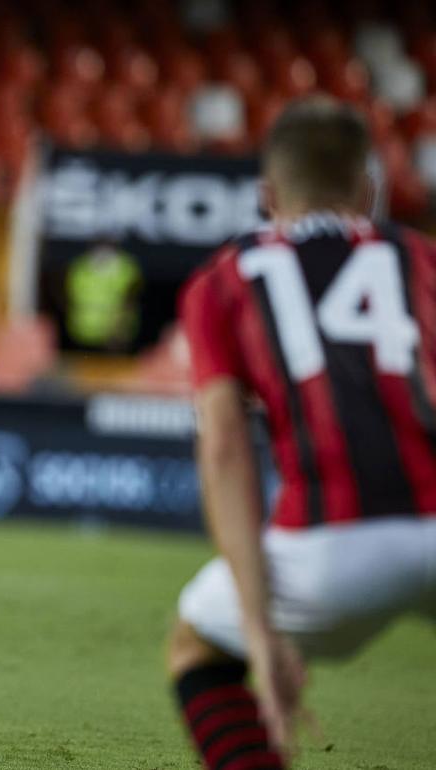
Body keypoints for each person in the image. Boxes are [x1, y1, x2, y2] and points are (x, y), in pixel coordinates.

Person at [168, 97, 436, 770]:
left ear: (267, 195)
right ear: (369, 189)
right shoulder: (423, 260)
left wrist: (261, 637)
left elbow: (227, 447)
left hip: (332, 546)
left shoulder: (222, 282)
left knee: (195, 648)